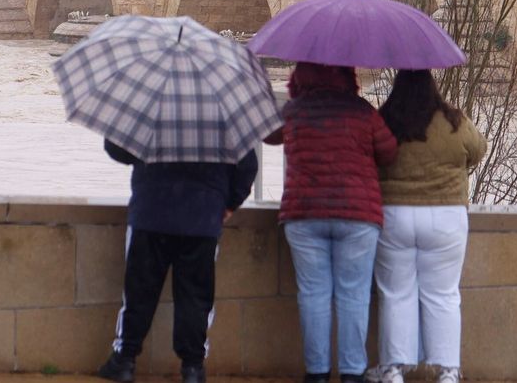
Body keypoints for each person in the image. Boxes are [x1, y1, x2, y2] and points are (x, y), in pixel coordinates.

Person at [268, 62, 398, 383]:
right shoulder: (363, 112)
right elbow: (389, 152)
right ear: (347, 75)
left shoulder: (295, 111)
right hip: (357, 216)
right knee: (354, 295)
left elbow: (267, 135)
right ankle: (352, 373)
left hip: (305, 213)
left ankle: (317, 373)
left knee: (313, 294)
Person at [95, 140, 259, 383]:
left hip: (151, 213)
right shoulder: (222, 113)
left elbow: (117, 149)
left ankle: (125, 359)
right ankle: (192, 368)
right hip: (202, 217)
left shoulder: (152, 105)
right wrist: (229, 203)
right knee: (195, 296)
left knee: (139, 291)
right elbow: (247, 166)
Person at [372, 70, 486, 383]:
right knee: (444, 294)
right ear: (433, 87)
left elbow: (372, 155)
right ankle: (448, 370)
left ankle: (394, 369)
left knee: (396, 293)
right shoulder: (454, 121)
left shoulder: (385, 120)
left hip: (394, 214)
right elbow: (478, 150)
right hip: (446, 215)